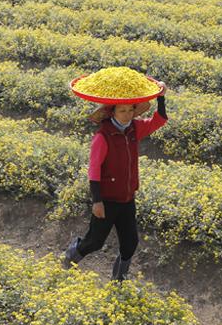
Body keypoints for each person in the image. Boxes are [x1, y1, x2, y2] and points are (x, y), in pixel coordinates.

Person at [62, 85, 167, 281]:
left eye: (130, 110)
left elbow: (158, 121)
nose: (127, 115)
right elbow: (93, 170)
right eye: (122, 110)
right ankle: (72, 255)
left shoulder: (135, 128)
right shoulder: (103, 137)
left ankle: (119, 279)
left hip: (127, 198)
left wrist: (161, 97)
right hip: (107, 200)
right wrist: (97, 201)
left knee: (130, 242)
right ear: (112, 112)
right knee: (95, 242)